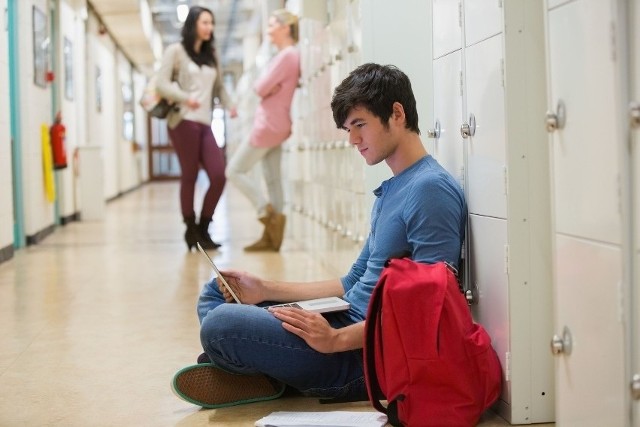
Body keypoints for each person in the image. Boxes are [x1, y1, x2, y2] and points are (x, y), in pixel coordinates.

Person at [171, 63, 468, 408]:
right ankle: (262, 370)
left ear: (397, 113)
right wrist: (265, 289)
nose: (353, 140)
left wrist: (335, 340)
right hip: (340, 319)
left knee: (221, 324)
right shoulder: (396, 187)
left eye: (360, 125)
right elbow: (352, 280)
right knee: (219, 294)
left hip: (360, 357)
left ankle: (259, 370)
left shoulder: (430, 190)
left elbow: (430, 308)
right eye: (348, 129)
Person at [156, 6, 236, 251]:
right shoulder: (176, 51)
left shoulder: (211, 54)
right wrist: (183, 97)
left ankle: (204, 226)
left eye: (211, 23)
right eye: (205, 22)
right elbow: (161, 83)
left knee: (219, 175)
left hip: (204, 122)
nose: (209, 27)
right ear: (193, 25)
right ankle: (190, 230)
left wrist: (231, 105)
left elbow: (220, 87)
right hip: (183, 120)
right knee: (189, 175)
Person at [225, 9, 301, 252]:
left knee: (234, 170)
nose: (268, 31)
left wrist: (268, 86)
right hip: (278, 124)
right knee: (273, 179)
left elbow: (259, 88)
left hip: (268, 125)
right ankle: (272, 238)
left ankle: (263, 210)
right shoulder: (286, 56)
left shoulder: (286, 56)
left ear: (285, 28)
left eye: (271, 25)